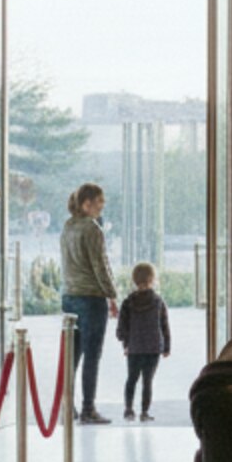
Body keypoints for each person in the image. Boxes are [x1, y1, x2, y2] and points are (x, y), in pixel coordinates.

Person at [61, 182, 119, 425]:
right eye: (99, 202)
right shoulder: (92, 229)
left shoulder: (68, 227)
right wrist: (112, 295)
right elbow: (100, 265)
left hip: (69, 296)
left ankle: (67, 406)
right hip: (91, 298)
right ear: (87, 203)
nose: (102, 207)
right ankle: (88, 408)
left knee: (72, 355)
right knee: (92, 355)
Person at [117, 261, 173, 421]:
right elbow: (164, 326)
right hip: (153, 348)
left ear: (134, 280)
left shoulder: (128, 302)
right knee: (147, 381)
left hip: (134, 348)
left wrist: (126, 343)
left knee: (131, 379)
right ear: (152, 280)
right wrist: (167, 347)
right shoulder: (158, 302)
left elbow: (122, 327)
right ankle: (144, 412)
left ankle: (128, 410)